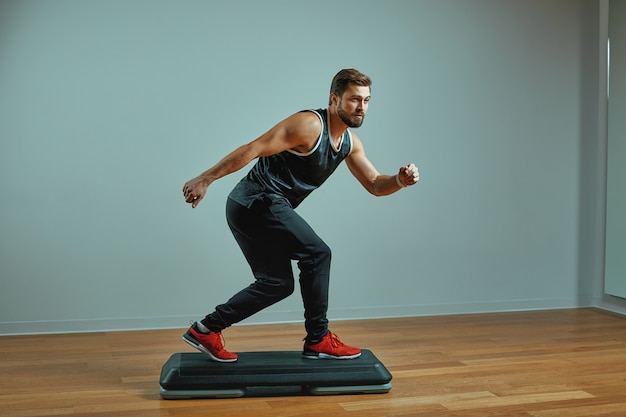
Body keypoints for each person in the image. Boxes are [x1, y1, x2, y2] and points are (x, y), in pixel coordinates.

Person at [181, 69, 419, 362]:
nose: (361, 107)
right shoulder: (309, 125)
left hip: (253, 209)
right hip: (257, 201)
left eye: (367, 100)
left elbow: (373, 183)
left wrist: (398, 180)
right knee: (318, 254)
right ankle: (318, 339)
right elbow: (254, 148)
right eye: (354, 99)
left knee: (277, 284)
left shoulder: (349, 144)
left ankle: (206, 329)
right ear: (335, 99)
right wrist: (206, 178)